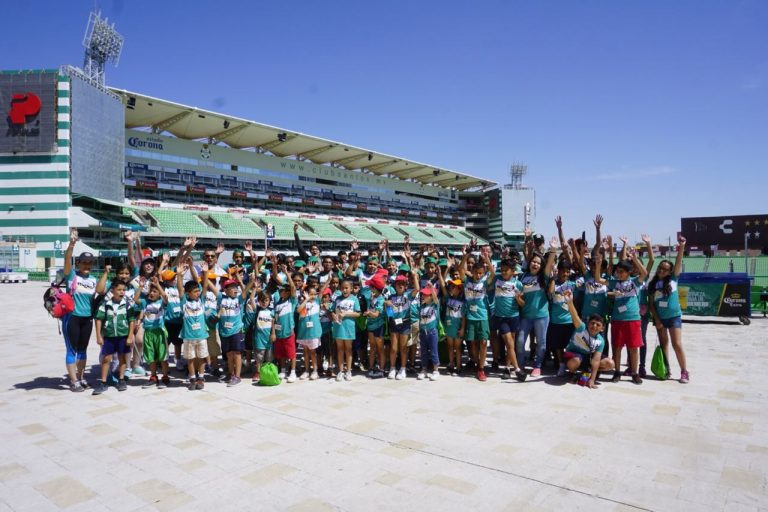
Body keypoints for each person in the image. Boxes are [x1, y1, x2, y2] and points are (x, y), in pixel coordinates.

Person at [648, 234, 690, 383]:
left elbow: (678, 262)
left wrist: (682, 247)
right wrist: (657, 319)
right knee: (664, 344)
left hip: (673, 317)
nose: (662, 271)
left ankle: (684, 371)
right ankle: (666, 370)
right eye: (660, 268)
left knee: (677, 344)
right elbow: (651, 305)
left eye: (665, 270)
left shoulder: (673, 280)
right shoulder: (652, 285)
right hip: (660, 318)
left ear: (670, 272)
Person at [62, 229, 99, 392]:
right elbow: (67, 258)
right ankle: (73, 380)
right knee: (72, 349)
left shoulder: (93, 280)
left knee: (83, 350)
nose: (87, 265)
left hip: (87, 319)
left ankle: (81, 377)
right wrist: (72, 243)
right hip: (72, 318)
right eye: (84, 262)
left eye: (89, 263)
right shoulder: (72, 276)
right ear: (78, 263)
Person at [516, 239, 558, 377]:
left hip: (541, 316)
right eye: (533, 261)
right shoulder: (522, 277)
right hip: (526, 316)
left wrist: (552, 250)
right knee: (520, 341)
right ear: (529, 263)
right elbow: (520, 300)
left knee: (541, 342)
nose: (535, 264)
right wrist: (518, 299)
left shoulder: (543, 278)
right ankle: (520, 365)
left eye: (538, 263)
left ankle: (537, 366)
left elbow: (549, 263)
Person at [607, 248, 648, 384]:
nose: (618, 274)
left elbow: (645, 272)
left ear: (629, 272)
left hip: (633, 319)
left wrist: (635, 259)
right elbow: (598, 280)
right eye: (617, 271)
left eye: (621, 272)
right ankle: (617, 372)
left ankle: (635, 373)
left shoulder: (635, 282)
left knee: (633, 348)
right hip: (617, 319)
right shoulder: (614, 282)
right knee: (617, 347)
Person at [561, 290, 615, 389]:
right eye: (592, 323)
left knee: (610, 363)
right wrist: (569, 301)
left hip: (588, 358)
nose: (594, 326)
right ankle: (572, 373)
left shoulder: (601, 341)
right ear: (588, 323)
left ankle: (587, 371)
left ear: (602, 328)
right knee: (575, 361)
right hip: (574, 356)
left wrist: (592, 380)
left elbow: (596, 360)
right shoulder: (581, 327)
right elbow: (574, 315)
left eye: (598, 325)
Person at [92, 281, 138, 395]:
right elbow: (98, 319)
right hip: (109, 336)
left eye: (123, 290)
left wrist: (130, 336)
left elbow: (132, 320)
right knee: (106, 358)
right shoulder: (105, 304)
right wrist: (98, 336)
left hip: (123, 336)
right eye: (119, 290)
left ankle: (121, 380)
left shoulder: (128, 304)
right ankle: (103, 382)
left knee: (122, 358)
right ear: (112, 290)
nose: (122, 292)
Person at [458, 248, 496, 381]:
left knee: (484, 342)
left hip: (483, 317)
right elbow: (460, 270)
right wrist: (466, 255)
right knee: (472, 343)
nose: (478, 275)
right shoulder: (467, 282)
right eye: (476, 273)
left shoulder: (484, 283)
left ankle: (481, 369)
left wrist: (486, 260)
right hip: (470, 317)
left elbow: (492, 273)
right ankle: (476, 362)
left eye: (480, 273)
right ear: (472, 272)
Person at [177, 259, 210, 391]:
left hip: (201, 335)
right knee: (190, 359)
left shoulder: (201, 301)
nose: (198, 293)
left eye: (198, 291)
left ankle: (200, 378)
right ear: (188, 293)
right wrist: (179, 275)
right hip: (188, 337)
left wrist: (205, 273)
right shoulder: (184, 302)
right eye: (195, 291)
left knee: (201, 357)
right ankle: (192, 378)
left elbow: (206, 286)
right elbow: (180, 289)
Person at [491, 259, 527, 381]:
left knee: (510, 345)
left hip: (514, 317)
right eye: (502, 270)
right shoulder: (497, 280)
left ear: (513, 271)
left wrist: (518, 298)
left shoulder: (518, 284)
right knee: (509, 343)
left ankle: (507, 368)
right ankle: (517, 369)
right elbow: (490, 273)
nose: (503, 272)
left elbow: (522, 304)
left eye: (506, 270)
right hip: (501, 318)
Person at [135, 277, 170, 389]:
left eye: (155, 291)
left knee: (162, 356)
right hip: (148, 333)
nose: (151, 293)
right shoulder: (145, 302)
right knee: (151, 357)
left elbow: (165, 297)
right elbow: (135, 299)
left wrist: (158, 285)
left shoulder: (161, 303)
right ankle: (153, 377)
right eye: (150, 291)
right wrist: (140, 287)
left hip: (160, 333)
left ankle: (165, 377)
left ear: (159, 294)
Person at [384, 272, 418, 380]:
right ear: (395, 285)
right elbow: (389, 313)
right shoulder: (391, 296)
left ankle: (403, 369)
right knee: (393, 348)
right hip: (394, 323)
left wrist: (415, 276)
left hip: (405, 322)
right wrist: (387, 304)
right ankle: (393, 368)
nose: (400, 285)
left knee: (403, 348)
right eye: (398, 283)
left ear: (406, 285)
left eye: (403, 283)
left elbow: (417, 289)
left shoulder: (408, 295)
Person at [217, 276, 249, 387]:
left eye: (236, 287)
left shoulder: (238, 300)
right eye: (232, 287)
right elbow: (212, 288)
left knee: (237, 353)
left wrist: (252, 281)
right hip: (224, 332)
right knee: (229, 354)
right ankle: (231, 374)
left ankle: (237, 376)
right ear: (225, 290)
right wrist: (206, 273)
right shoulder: (221, 298)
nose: (235, 289)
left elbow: (245, 291)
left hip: (236, 331)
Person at [548, 259, 577, 377]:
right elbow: (550, 293)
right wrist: (553, 279)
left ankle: (571, 367)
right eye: (562, 271)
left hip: (569, 321)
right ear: (558, 271)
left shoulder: (573, 285)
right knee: (558, 346)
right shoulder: (554, 283)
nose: (565, 274)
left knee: (569, 346)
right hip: (556, 321)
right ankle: (561, 365)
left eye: (567, 271)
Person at [330, 278, 361, 381]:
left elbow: (357, 313)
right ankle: (340, 371)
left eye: (347, 288)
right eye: (342, 288)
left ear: (351, 289)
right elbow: (332, 311)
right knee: (340, 349)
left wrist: (346, 314)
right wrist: (333, 315)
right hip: (338, 326)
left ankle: (348, 371)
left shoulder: (354, 299)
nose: (344, 290)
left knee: (348, 349)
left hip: (349, 327)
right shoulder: (337, 299)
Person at [437, 272, 466, 376]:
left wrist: (462, 328)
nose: (450, 288)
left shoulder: (463, 302)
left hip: (457, 327)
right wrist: (440, 274)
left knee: (457, 348)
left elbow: (463, 317)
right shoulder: (448, 298)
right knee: (450, 347)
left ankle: (458, 366)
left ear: (459, 289)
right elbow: (443, 286)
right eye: (450, 286)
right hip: (449, 327)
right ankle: (451, 365)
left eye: (453, 287)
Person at [273, 265, 298, 383]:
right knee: (281, 353)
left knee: (291, 353)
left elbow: (293, 287)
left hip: (289, 332)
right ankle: (282, 370)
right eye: (279, 290)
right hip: (278, 332)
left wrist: (287, 273)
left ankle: (293, 372)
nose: (280, 292)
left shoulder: (291, 301)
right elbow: (274, 319)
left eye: (282, 290)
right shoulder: (277, 303)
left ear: (288, 292)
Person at [246, 290, 276, 383]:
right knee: (259, 357)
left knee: (269, 356)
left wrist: (273, 334)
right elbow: (251, 298)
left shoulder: (272, 311)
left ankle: (267, 371)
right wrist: (255, 288)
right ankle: (258, 372)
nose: (264, 302)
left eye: (266, 300)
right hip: (259, 338)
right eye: (262, 300)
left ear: (269, 301)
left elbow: (273, 324)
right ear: (258, 301)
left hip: (269, 338)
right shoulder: (257, 310)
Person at [296, 284, 323, 380]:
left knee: (313, 352)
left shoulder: (317, 302)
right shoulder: (303, 303)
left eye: (314, 294)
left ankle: (315, 370)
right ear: (306, 293)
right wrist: (306, 299)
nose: (313, 296)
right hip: (304, 331)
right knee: (305, 351)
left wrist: (328, 280)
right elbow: (298, 310)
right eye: (310, 294)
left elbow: (322, 290)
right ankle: (307, 370)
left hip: (314, 332)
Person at [363, 275, 387, 378]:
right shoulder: (372, 297)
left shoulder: (381, 299)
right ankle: (371, 367)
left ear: (375, 288)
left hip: (378, 326)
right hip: (370, 326)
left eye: (371, 286)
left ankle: (381, 369)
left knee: (380, 348)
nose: (369, 288)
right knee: (372, 348)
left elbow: (376, 314)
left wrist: (368, 313)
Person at [416, 283, 440, 381]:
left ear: (430, 296)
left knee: (434, 352)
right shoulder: (421, 307)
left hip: (432, 332)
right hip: (423, 332)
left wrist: (431, 289)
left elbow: (436, 299)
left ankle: (435, 370)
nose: (423, 296)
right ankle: (424, 369)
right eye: (422, 295)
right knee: (424, 352)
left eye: (425, 295)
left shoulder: (434, 305)